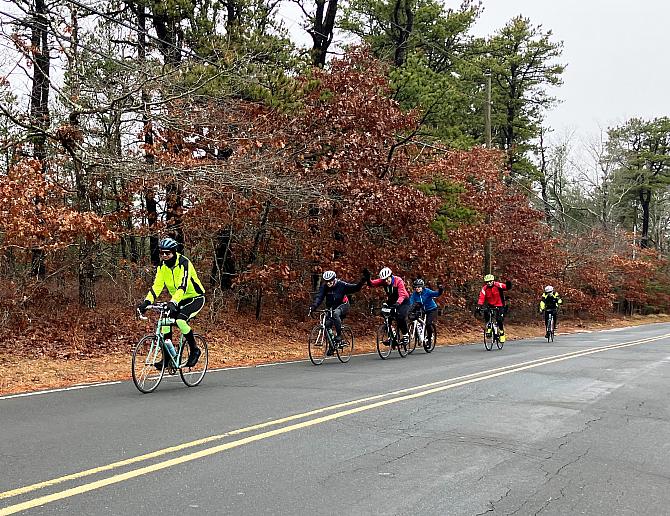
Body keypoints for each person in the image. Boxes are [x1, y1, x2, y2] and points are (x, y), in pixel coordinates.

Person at [137, 237, 206, 369]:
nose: (164, 256)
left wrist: (173, 302)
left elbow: (182, 286)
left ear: (174, 252)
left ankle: (195, 350)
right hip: (178, 299)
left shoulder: (184, 263)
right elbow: (156, 287)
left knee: (180, 321)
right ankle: (168, 357)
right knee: (164, 323)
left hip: (195, 298)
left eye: (167, 253)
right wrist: (146, 302)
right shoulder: (162, 267)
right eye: (162, 253)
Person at [309, 269, 369, 355]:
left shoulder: (341, 285)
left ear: (334, 279)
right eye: (327, 282)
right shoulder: (324, 286)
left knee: (335, 313)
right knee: (326, 324)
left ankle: (339, 335)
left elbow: (355, 288)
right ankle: (332, 346)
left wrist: (362, 281)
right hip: (331, 307)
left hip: (343, 305)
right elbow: (319, 297)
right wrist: (313, 306)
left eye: (330, 281)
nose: (328, 283)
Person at [368, 267, 411, 348]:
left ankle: (406, 335)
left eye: (387, 279)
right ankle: (391, 336)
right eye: (384, 280)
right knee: (386, 316)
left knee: (400, 316)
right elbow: (372, 283)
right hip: (392, 301)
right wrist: (367, 278)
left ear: (391, 276)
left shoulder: (398, 281)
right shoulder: (383, 281)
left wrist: (398, 303)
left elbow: (402, 294)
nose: (386, 281)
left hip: (403, 301)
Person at [476, 273, 512, 343]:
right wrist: (479, 306)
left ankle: (501, 333)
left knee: (499, 320)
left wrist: (508, 284)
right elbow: (481, 298)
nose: (489, 283)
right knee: (486, 313)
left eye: (490, 281)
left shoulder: (498, 285)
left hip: (500, 305)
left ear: (493, 281)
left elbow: (506, 287)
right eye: (487, 282)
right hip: (491, 305)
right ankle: (489, 327)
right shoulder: (484, 288)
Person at [408, 278, 443, 346]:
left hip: (431, 309)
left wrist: (440, 289)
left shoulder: (427, 291)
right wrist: (409, 310)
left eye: (419, 287)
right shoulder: (414, 294)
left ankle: (429, 338)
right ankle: (419, 335)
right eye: (416, 287)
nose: (417, 288)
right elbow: (411, 302)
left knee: (428, 323)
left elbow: (437, 294)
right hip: (422, 310)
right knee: (417, 319)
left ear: (422, 287)